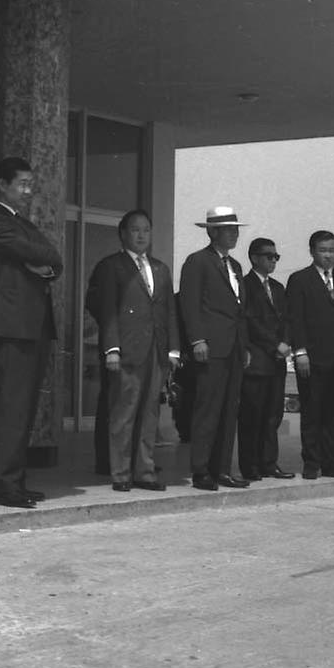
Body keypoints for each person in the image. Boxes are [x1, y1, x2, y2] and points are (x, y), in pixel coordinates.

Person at [0, 156, 63, 509]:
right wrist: (40, 258)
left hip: (31, 327)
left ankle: (16, 480)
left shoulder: (22, 222)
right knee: (12, 409)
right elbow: (38, 251)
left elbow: (53, 257)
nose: (29, 190)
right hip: (13, 328)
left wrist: (43, 262)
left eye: (32, 184)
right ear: (3, 184)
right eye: (23, 184)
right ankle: (4, 485)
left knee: (25, 408)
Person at [88, 209, 180, 493]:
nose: (141, 235)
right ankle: (121, 473)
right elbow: (105, 310)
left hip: (155, 350)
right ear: (123, 233)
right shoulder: (111, 266)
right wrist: (111, 348)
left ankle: (145, 470)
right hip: (126, 350)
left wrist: (174, 349)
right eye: (136, 230)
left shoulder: (160, 269)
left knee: (149, 412)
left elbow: (169, 313)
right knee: (123, 412)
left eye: (146, 230)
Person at [178, 206, 251, 490]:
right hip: (211, 345)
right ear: (212, 232)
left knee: (229, 410)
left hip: (232, 347)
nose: (234, 234)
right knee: (207, 409)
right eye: (228, 229)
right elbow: (190, 303)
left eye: (235, 229)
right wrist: (197, 339)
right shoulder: (197, 262)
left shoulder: (235, 266)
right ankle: (201, 470)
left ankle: (222, 468)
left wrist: (243, 345)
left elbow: (239, 310)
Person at [286, 230, 334, 480]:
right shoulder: (300, 280)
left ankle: (333, 461)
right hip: (313, 356)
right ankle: (312, 461)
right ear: (312, 251)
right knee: (313, 410)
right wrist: (300, 351)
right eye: (323, 250)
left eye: (331, 251)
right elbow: (295, 319)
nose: (328, 255)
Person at [239, 237, 294, 480]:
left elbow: (287, 320)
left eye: (276, 257)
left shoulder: (279, 288)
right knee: (253, 415)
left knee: (273, 415)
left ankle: (269, 462)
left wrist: (286, 343)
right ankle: (250, 466)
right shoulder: (245, 285)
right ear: (254, 258)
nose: (273, 260)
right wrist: (274, 344)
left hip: (277, 361)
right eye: (268, 256)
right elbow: (250, 320)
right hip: (257, 359)